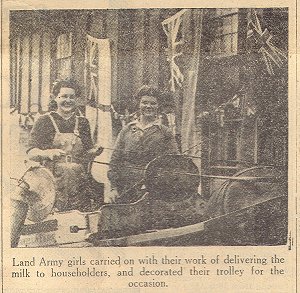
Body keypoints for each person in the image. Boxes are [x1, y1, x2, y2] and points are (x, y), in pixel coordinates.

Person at [11, 79, 103, 247]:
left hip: (78, 181)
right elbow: (31, 152)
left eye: (72, 97)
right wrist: (47, 153)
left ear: (77, 100)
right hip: (51, 182)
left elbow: (87, 150)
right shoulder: (44, 121)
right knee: (53, 226)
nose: (68, 100)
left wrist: (95, 151)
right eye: (64, 96)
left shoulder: (83, 123)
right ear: (55, 98)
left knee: (77, 225)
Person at [107, 85, 179, 203]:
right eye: (144, 102)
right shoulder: (127, 130)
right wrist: (113, 188)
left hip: (154, 192)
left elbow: (175, 162)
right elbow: (114, 161)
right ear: (138, 104)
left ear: (158, 106)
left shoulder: (165, 132)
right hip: (125, 190)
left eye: (153, 103)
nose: (148, 106)